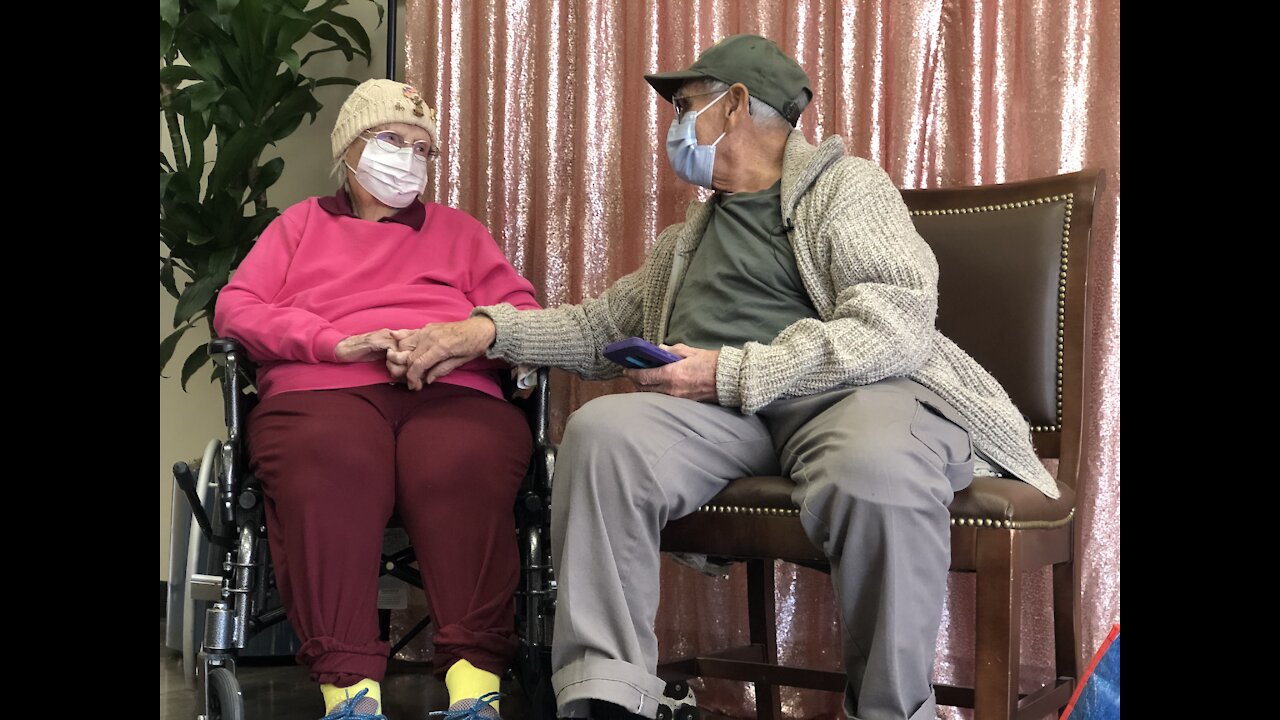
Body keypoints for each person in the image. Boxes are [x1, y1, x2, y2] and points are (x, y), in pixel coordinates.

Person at [392, 35, 1058, 720]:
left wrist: (736, 370)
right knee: (602, 435)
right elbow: (598, 329)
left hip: (850, 398)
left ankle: (890, 713)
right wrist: (487, 330)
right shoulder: (687, 238)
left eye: (685, 106)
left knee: (880, 475)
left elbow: (892, 325)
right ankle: (607, 697)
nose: (676, 125)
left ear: (736, 103)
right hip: (718, 416)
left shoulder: (846, 187)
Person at [214, 78, 540, 720]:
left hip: (450, 385)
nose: (408, 158)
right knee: (334, 461)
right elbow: (235, 307)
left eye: (423, 148)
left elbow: (520, 313)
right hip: (323, 388)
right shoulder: (299, 226)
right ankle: (350, 694)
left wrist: (457, 339)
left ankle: (475, 688)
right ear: (350, 148)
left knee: (460, 463)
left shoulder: (460, 233)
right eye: (392, 141)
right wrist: (333, 343)